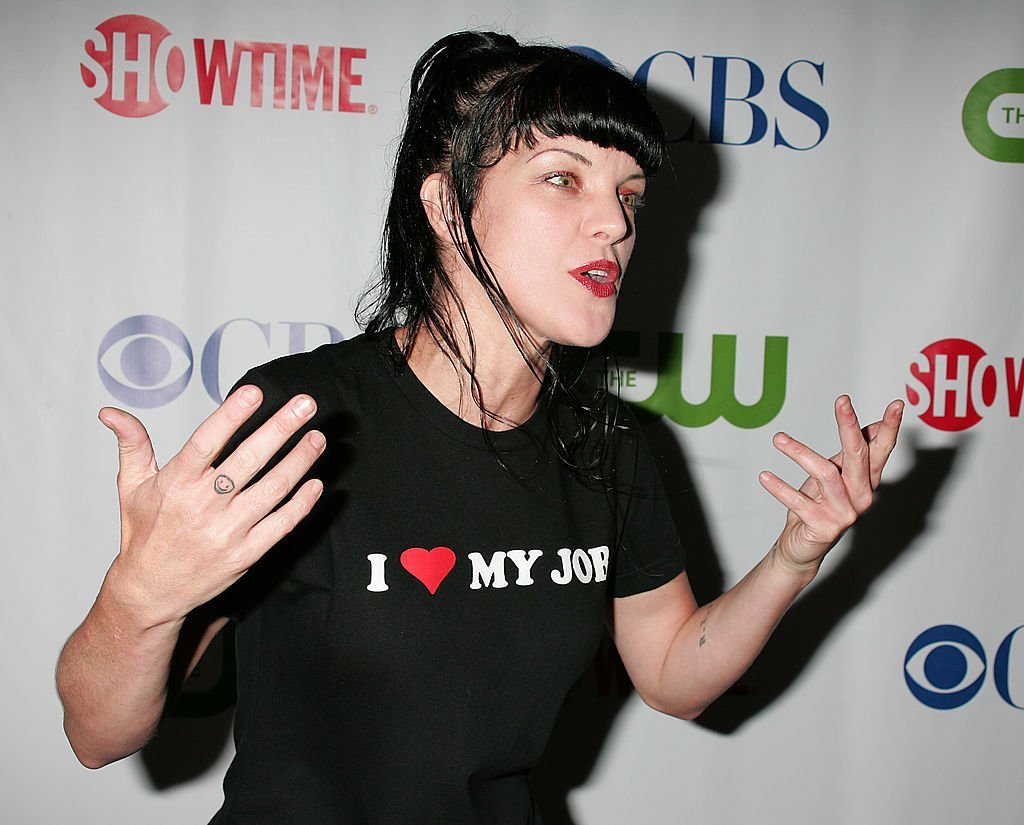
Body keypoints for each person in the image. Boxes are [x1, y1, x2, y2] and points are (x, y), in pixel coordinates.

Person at [56, 30, 903, 825]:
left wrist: (796, 555)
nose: (615, 222)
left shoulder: (607, 443)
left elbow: (675, 676)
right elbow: (98, 736)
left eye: (629, 195)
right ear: (448, 204)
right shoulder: (300, 418)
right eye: (564, 178)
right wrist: (140, 596)